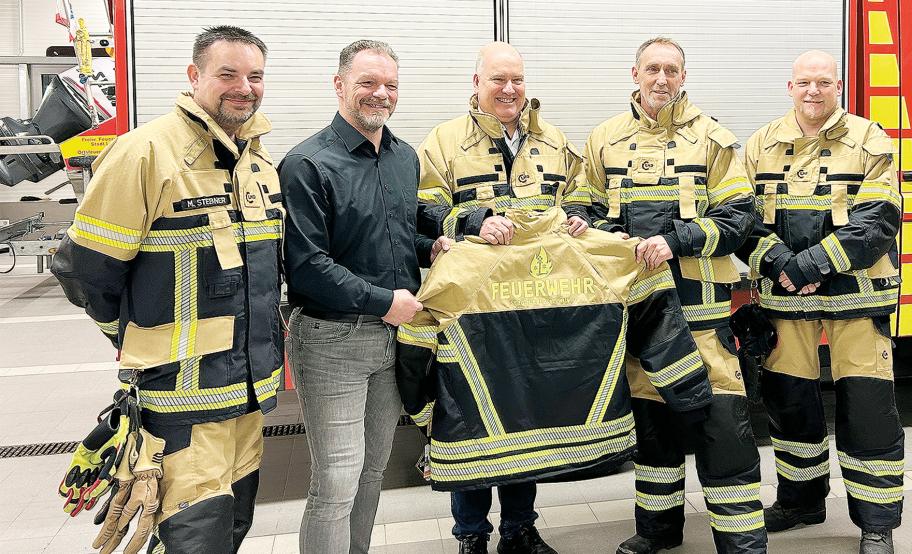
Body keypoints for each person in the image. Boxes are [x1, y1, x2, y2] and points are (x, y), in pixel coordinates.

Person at [52, 25, 283, 551]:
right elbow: (82, 269)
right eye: (227, 73)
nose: (243, 87)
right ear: (194, 76)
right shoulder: (145, 153)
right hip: (179, 399)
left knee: (232, 530)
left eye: (255, 76)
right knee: (194, 537)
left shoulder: (259, 162)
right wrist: (130, 337)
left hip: (246, 395)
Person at [583, 37, 767, 553]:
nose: (661, 79)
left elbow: (737, 220)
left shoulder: (713, 140)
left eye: (671, 70)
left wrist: (674, 240)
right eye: (652, 69)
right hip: (641, 318)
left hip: (703, 321)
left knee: (723, 433)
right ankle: (657, 533)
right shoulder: (603, 140)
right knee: (654, 432)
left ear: (684, 77)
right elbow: (580, 212)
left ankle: (743, 543)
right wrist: (600, 234)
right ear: (635, 74)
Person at [415, 41, 591, 554]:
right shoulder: (443, 142)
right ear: (476, 84)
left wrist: (581, 216)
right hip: (470, 313)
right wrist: (472, 221)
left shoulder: (553, 139)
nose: (508, 89)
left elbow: (580, 194)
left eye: (516, 79)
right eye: (497, 79)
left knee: (522, 417)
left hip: (535, 305)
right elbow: (423, 214)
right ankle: (471, 536)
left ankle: (520, 531)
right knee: (469, 420)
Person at [279, 39, 450, 554]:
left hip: (393, 338)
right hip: (333, 342)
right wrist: (384, 302)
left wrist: (433, 243)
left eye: (390, 85)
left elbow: (392, 237)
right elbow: (307, 267)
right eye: (368, 83)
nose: (381, 94)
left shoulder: (403, 158)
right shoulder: (306, 164)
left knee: (373, 470)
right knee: (334, 481)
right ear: (339, 86)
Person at [739, 50, 904, 554]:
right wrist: (781, 266)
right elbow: (741, 218)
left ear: (840, 86)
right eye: (804, 82)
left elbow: (877, 220)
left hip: (855, 298)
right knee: (790, 408)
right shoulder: (761, 143)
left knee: (869, 409)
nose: (814, 91)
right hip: (787, 302)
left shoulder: (870, 139)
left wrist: (806, 267)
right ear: (789, 86)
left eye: (824, 82)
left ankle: (876, 523)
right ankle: (801, 500)